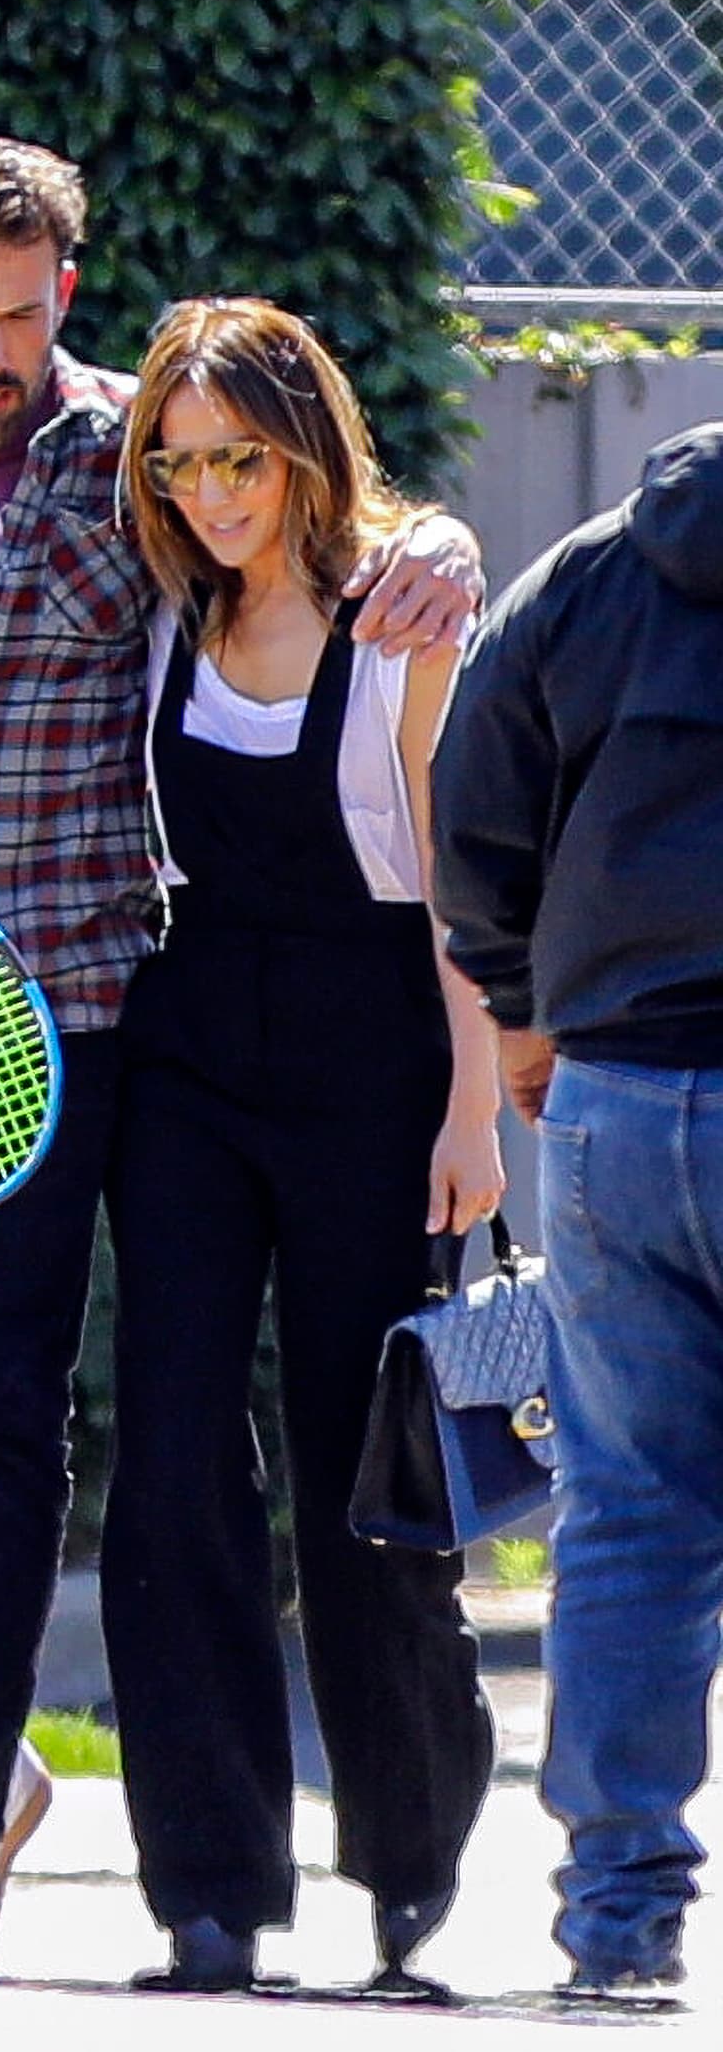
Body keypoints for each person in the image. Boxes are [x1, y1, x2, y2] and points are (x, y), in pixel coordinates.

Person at [0, 124, 486, 1960]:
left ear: (61, 296)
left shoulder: (132, 467)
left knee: (175, 1445)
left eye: (19, 309)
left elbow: (326, 543)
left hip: (143, 1021)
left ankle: (337, 1867)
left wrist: (448, 543)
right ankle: (100, 1833)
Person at [101, 296, 503, 1994]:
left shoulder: (405, 622)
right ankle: (208, 1889)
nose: (208, 494)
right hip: (187, 1071)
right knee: (176, 1457)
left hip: (376, 1073)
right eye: (179, 464)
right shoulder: (157, 607)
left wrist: (475, 1112)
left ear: (306, 445)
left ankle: (410, 1860)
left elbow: (460, 889)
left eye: (239, 459)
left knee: (373, 1470)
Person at [431, 422, 723, 2000]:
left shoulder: (594, 571)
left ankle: (619, 1925)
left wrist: (528, 1004)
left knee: (635, 1512)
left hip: (612, 1098)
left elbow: (469, 798)